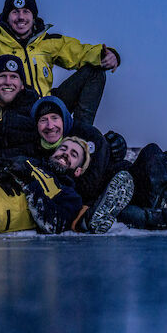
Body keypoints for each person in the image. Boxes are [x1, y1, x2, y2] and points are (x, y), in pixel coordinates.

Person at [0, 0, 120, 126]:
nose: (20, 17)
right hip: (13, 114)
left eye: (26, 11)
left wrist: (105, 55)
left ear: (33, 16)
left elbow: (79, 53)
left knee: (94, 71)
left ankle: (79, 135)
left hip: (47, 107)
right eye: (15, 12)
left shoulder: (47, 42)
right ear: (6, 16)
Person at [31, 96, 133, 234]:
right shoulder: (35, 150)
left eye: (55, 118)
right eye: (43, 120)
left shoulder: (87, 135)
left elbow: (93, 180)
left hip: (104, 188)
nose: (50, 125)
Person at [0, 55, 40, 158]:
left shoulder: (36, 113)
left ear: (22, 85)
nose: (8, 82)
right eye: (2, 76)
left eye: (14, 77)